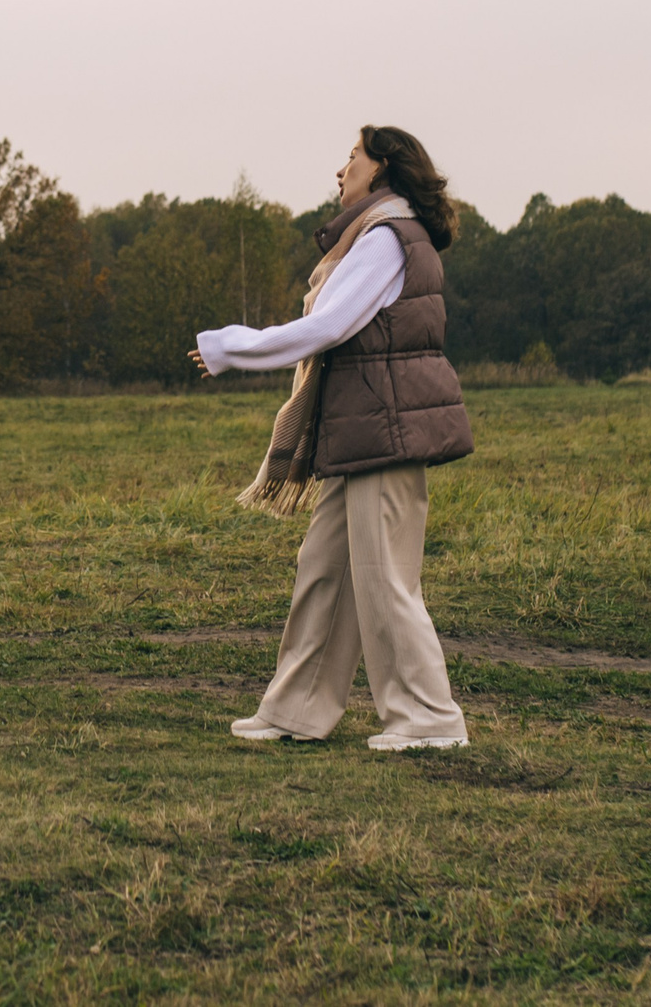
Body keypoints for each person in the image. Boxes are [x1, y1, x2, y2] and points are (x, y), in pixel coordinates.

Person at [190, 125, 474, 751]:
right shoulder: (382, 235)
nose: (340, 168)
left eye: (352, 158)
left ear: (383, 171)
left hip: (384, 431)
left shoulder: (385, 239)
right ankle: (297, 709)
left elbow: (326, 327)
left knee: (383, 577)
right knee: (326, 572)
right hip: (363, 431)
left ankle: (429, 720)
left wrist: (233, 347)